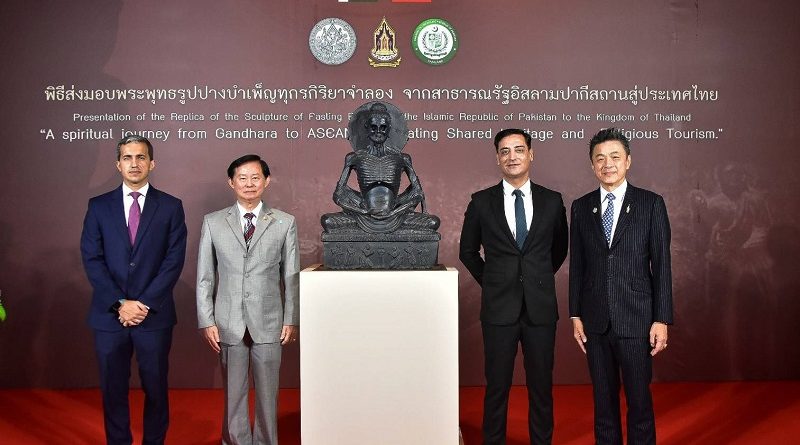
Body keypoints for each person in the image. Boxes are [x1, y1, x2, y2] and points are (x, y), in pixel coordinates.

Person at [459, 128, 568, 445]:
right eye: (504, 151)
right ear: (497, 158)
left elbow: (559, 249)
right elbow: (468, 252)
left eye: (519, 149)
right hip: (498, 309)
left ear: (531, 154)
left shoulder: (552, 201)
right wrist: (493, 282)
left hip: (540, 309)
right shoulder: (481, 202)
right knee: (496, 387)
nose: (512, 157)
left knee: (541, 387)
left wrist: (537, 278)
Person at [80, 135, 187, 445]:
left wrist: (143, 304)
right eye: (127, 157)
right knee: (112, 390)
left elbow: (173, 260)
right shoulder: (98, 206)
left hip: (153, 317)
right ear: (118, 164)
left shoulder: (171, 206)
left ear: (152, 163)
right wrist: (120, 303)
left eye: (141, 157)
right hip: (109, 316)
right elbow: (92, 258)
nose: (134, 163)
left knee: (156, 388)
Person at [569, 128, 673, 445]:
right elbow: (578, 266)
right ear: (592, 165)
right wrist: (575, 314)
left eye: (615, 157)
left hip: (637, 320)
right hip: (595, 321)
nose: (608, 164)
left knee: (639, 403)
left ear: (628, 161)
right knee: (603, 404)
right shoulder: (581, 207)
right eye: (600, 158)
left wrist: (661, 318)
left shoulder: (651, 204)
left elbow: (662, 265)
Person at [196, 154, 299, 445]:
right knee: (233, 395)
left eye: (255, 177)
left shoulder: (284, 222)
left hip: (269, 321)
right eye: (242, 178)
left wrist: (291, 318)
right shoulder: (213, 222)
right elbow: (205, 276)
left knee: (268, 395)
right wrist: (206, 320)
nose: (249, 183)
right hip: (228, 321)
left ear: (266, 181)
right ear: (231, 182)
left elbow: (291, 276)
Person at [321, 102, 439, 234]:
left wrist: (395, 211)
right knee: (327, 221)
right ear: (366, 128)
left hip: (396, 214)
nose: (378, 132)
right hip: (363, 215)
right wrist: (362, 211)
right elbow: (338, 195)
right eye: (373, 127)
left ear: (389, 129)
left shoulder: (402, 158)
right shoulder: (354, 157)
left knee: (433, 222)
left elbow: (418, 193)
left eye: (383, 127)